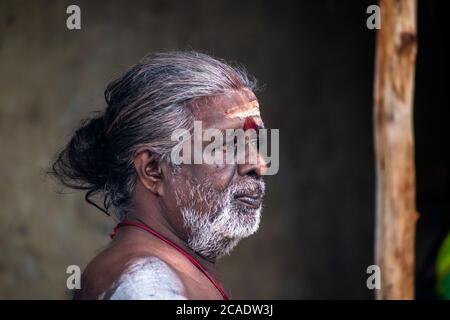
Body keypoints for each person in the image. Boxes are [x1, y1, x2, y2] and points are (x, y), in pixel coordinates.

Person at [51, 51, 267, 300]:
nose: (258, 164)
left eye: (256, 143)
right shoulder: (144, 283)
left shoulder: (162, 272)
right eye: (227, 145)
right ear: (153, 169)